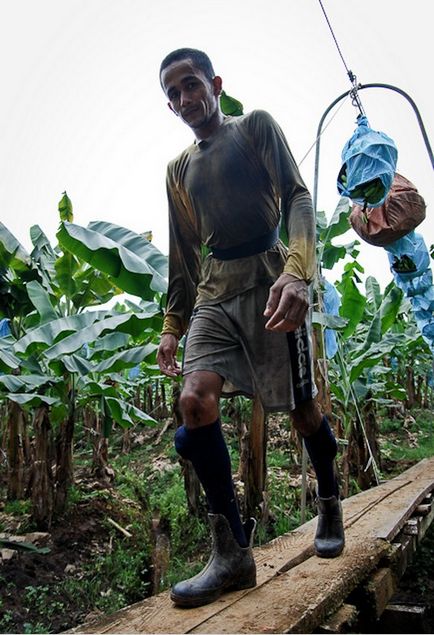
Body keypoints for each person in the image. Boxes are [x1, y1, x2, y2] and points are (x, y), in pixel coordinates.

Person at [157, 47, 345, 608]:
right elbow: (183, 254)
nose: (184, 100)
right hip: (215, 292)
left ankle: (330, 501)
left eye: (191, 85)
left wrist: (298, 272)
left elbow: (298, 197)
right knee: (193, 401)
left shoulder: (255, 127)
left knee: (305, 410)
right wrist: (172, 323)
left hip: (269, 277)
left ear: (214, 83)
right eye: (172, 94)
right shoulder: (178, 169)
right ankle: (233, 555)